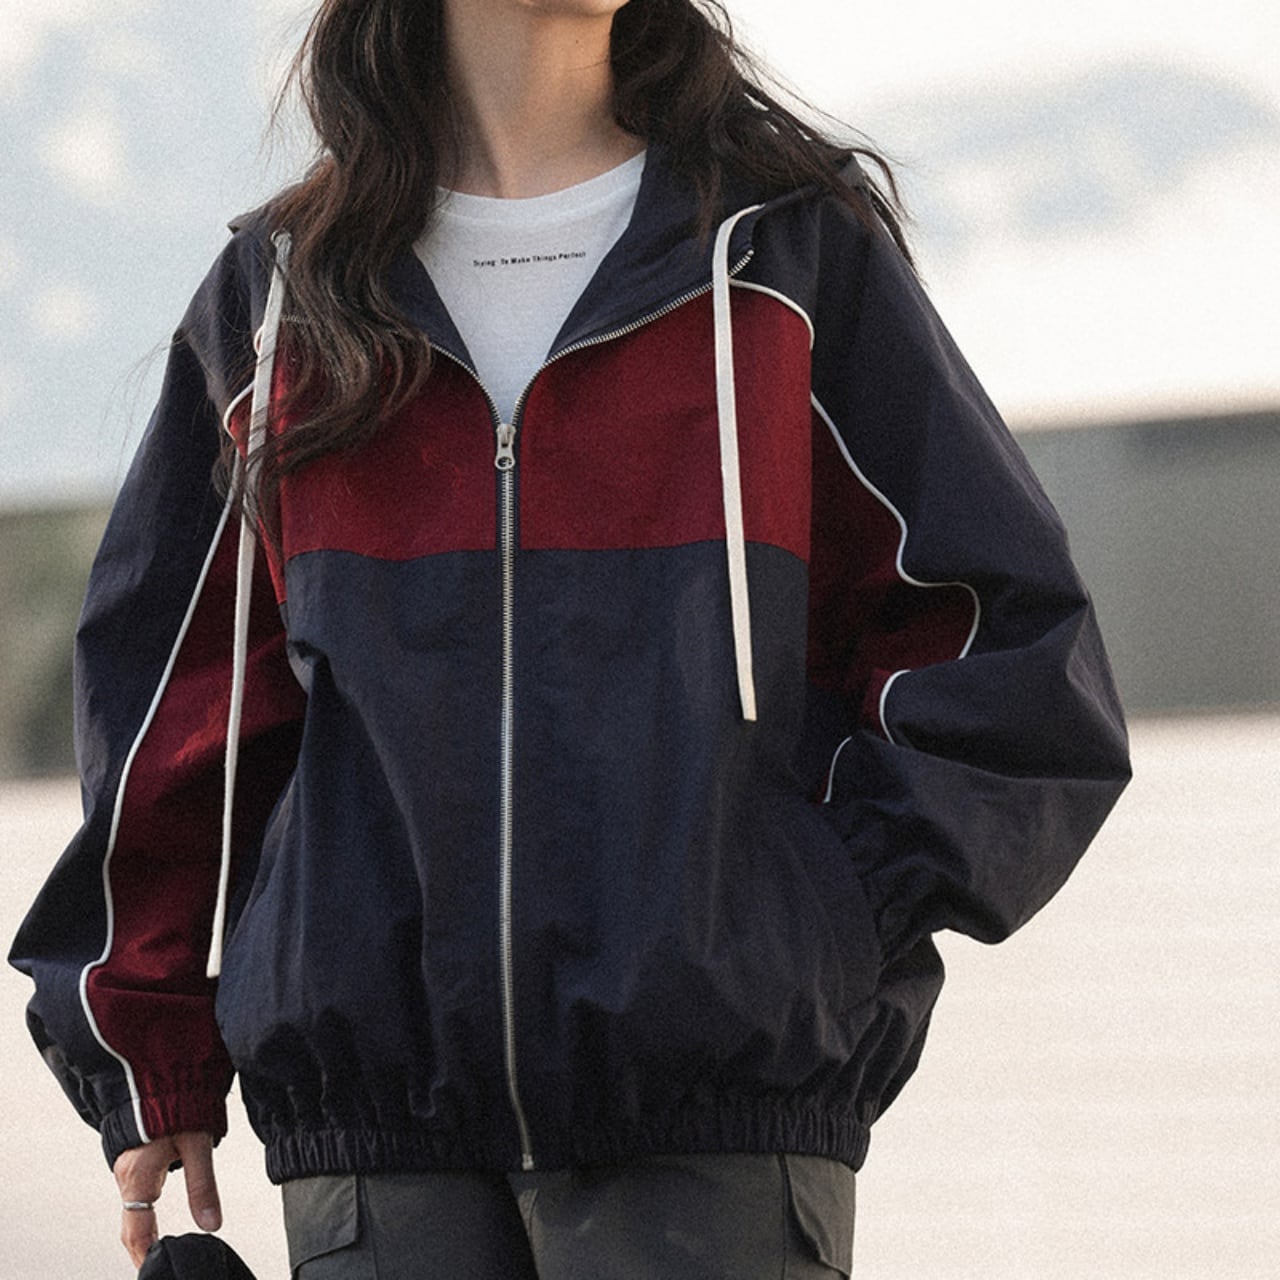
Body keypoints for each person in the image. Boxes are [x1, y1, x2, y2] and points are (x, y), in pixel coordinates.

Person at [11, 0, 1131, 1275]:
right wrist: (143, 1029)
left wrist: (801, 919)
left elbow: (1007, 652)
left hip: (714, 1126)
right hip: (378, 1144)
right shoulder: (280, 299)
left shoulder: (785, 258)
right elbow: (177, 703)